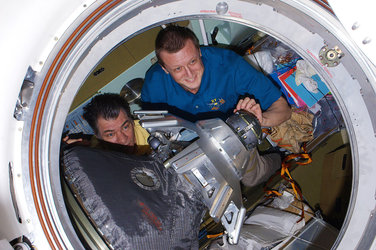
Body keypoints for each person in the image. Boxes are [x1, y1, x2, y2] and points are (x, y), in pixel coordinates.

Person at [141, 25, 292, 187]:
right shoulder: (154, 84)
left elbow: (284, 109)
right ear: (164, 69)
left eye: (193, 61)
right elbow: (155, 130)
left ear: (199, 52)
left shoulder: (228, 64)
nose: (189, 74)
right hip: (189, 141)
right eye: (178, 69)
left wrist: (257, 120)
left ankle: (280, 157)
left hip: (232, 132)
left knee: (250, 178)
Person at [63, 93, 151, 155]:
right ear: (98, 136)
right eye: (111, 134)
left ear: (132, 121)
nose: (123, 140)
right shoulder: (96, 151)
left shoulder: (153, 131)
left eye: (125, 127)